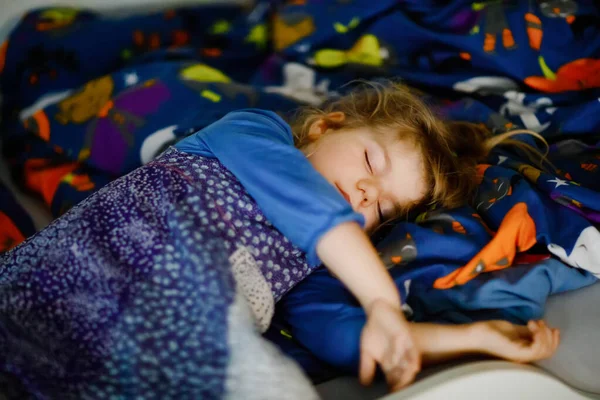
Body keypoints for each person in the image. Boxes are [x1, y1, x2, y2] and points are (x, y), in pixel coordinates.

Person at [0, 81, 555, 399]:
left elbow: (350, 338)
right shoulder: (252, 133)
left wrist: (477, 339)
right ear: (325, 126)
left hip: (136, 359)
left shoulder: (321, 260)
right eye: (370, 162)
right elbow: (316, 213)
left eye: (383, 207)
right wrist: (383, 298)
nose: (364, 193)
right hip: (59, 283)